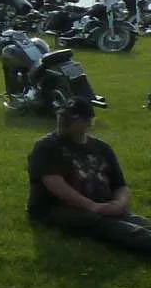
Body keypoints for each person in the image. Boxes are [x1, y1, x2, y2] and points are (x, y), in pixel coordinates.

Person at [28, 100, 151, 254]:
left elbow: (120, 185)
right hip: (57, 208)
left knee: (138, 221)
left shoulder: (102, 148)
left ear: (89, 122)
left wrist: (119, 204)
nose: (63, 122)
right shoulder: (46, 147)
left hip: (101, 204)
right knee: (106, 224)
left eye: (71, 119)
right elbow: (55, 184)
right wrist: (92, 206)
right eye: (62, 116)